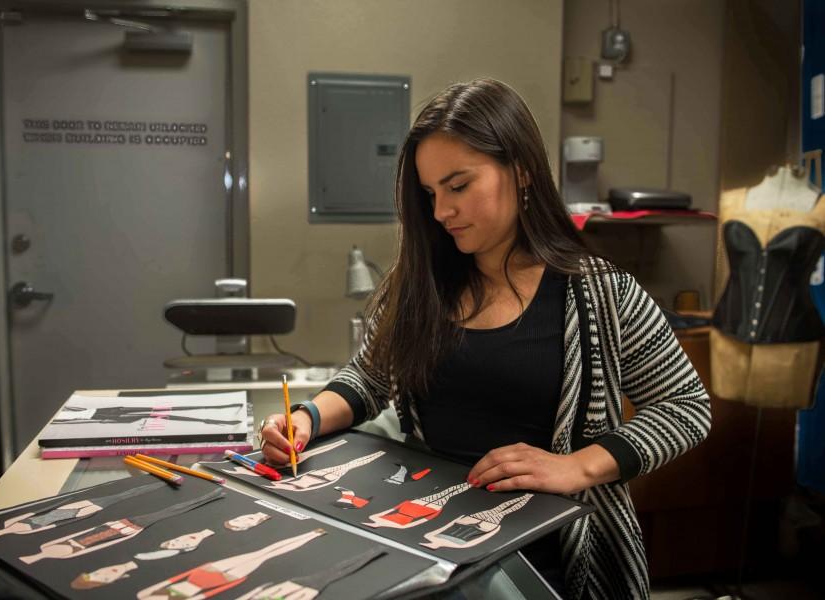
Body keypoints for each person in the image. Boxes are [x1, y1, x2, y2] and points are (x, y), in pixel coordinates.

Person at [259, 78, 711, 599]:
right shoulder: (420, 286)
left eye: (458, 186)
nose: (440, 212)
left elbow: (686, 408)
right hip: (427, 547)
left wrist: (577, 467)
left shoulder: (599, 293)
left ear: (520, 171)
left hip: (550, 563)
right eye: (430, 194)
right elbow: (369, 376)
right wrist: (307, 419)